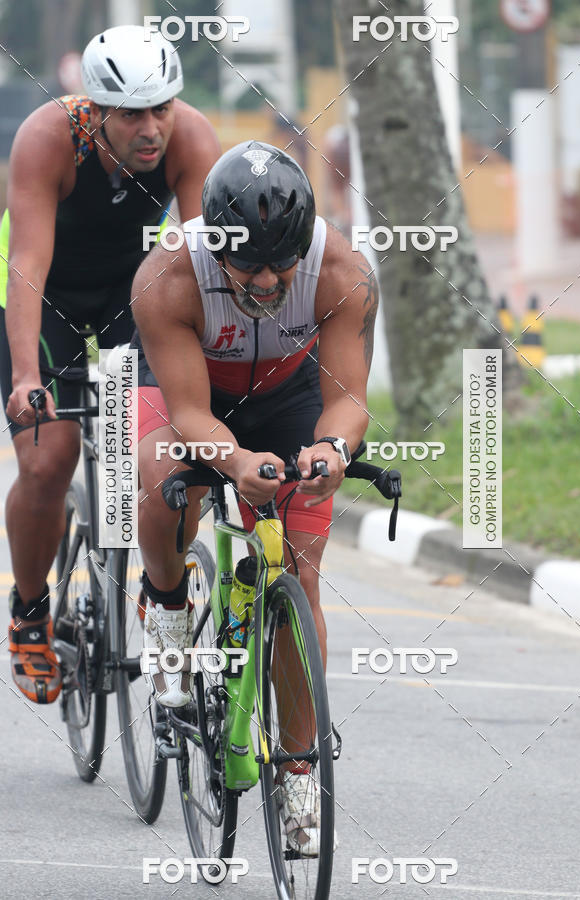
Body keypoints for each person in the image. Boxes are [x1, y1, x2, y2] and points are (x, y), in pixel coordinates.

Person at [132, 140, 379, 855]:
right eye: (247, 265)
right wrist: (234, 462)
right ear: (215, 243)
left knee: (300, 576)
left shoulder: (341, 270)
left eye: (282, 262)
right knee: (163, 479)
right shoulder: (168, 277)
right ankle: (170, 608)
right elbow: (188, 413)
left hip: (288, 395)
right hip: (194, 398)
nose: (268, 279)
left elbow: (348, 402)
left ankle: (299, 768)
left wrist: (331, 451)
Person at [0, 24, 221, 704]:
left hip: (136, 292)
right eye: (131, 114)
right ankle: (31, 612)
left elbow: (203, 264)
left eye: (161, 107)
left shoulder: (191, 139)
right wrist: (28, 380)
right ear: (94, 111)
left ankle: (161, 591)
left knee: (165, 448)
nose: (151, 127)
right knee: (46, 459)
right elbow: (29, 264)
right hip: (48, 298)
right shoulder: (46, 138)